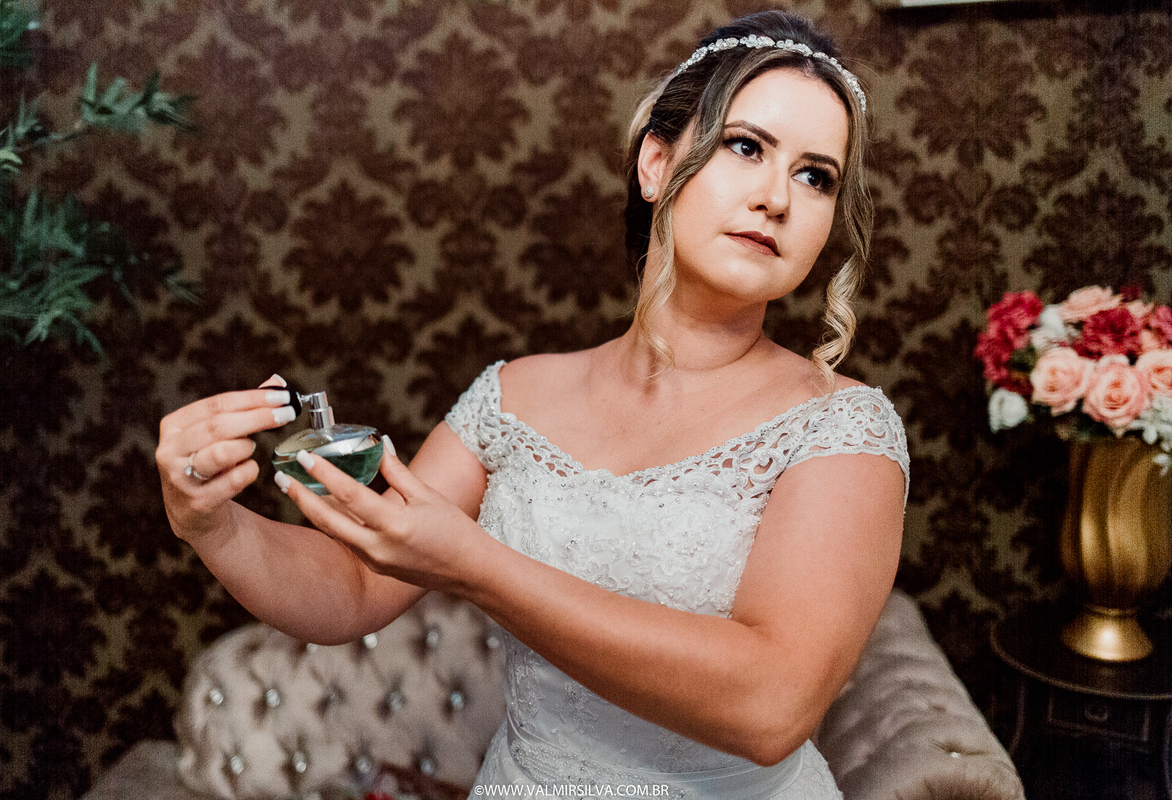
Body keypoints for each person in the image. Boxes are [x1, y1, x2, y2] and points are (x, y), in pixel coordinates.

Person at [156, 10, 908, 798]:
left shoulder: (842, 428)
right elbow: (352, 588)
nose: (776, 198)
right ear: (656, 162)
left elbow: (772, 707)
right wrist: (212, 524)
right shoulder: (513, 396)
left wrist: (480, 566)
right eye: (746, 146)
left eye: (815, 176)